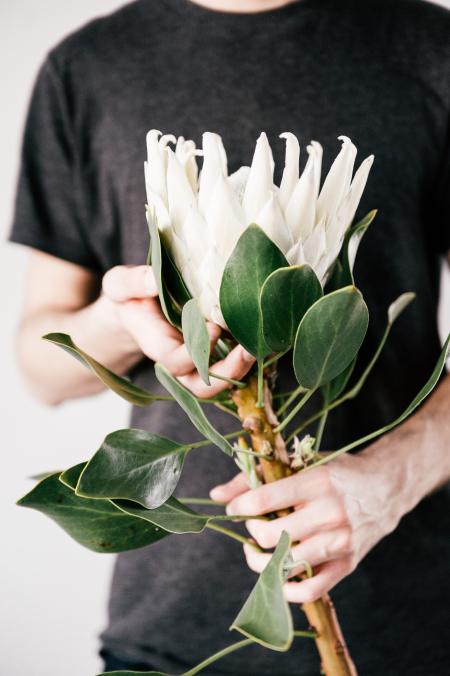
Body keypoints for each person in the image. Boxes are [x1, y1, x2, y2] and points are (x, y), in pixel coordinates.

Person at [9, 0, 450, 674]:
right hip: (165, 639)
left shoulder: (432, 47)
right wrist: (114, 320)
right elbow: (41, 366)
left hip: (417, 629)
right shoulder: (85, 68)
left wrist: (392, 476)